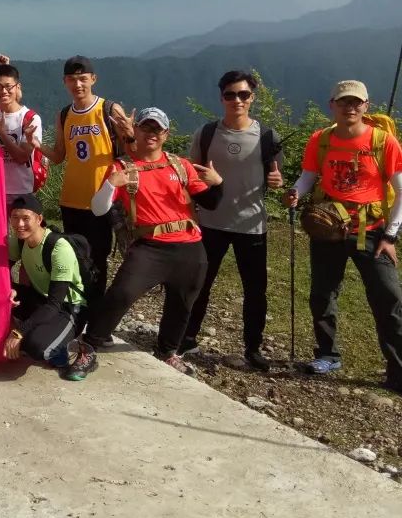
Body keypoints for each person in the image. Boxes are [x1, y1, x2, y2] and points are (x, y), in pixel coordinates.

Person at [80, 108, 223, 377]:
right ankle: (90, 345)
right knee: (121, 293)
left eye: (157, 129)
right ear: (135, 131)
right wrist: (111, 184)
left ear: (166, 134)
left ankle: (168, 352)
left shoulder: (181, 165)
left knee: (183, 302)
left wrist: (218, 183)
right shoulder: (122, 168)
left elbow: (211, 203)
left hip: (190, 244)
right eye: (145, 128)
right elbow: (98, 209)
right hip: (150, 246)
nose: (151, 134)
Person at [284, 80, 402, 389]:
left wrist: (391, 237)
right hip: (329, 227)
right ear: (332, 105)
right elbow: (309, 176)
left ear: (366, 106)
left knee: (388, 298)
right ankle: (327, 355)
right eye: (343, 102)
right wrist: (296, 191)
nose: (350, 107)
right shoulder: (320, 140)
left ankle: (398, 370)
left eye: (356, 102)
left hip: (373, 231)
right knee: (323, 293)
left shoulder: (383, 141)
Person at [182, 71, 284, 370]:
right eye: (230, 94)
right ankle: (187, 338)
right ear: (221, 97)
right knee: (199, 284)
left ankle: (253, 348)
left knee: (255, 290)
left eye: (243, 95)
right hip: (210, 221)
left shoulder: (267, 136)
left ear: (252, 98)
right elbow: (191, 176)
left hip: (252, 224)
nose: (237, 100)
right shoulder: (207, 133)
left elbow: (275, 177)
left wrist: (277, 180)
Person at [38, 56, 134, 330]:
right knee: (75, 257)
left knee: (98, 259)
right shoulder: (64, 114)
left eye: (83, 78)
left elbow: (131, 152)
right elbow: (58, 156)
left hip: (102, 199)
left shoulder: (109, 109)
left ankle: (95, 316)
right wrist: (35, 145)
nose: (78, 84)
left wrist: (129, 134)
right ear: (65, 82)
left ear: (93, 79)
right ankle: (76, 310)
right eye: (72, 79)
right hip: (71, 198)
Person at [3, 196, 97, 381]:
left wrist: (19, 331)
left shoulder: (58, 247)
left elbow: (54, 304)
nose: (19, 224)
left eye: (25, 218)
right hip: (42, 299)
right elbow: (1, 272)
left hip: (69, 307)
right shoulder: (20, 241)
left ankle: (81, 350)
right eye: (14, 217)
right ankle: (45, 335)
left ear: (39, 219)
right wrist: (10, 291)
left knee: (35, 347)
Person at [0, 64, 43, 204]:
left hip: (22, 190)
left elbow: (22, 157)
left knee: (21, 226)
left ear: (17, 87)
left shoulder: (30, 118)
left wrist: (2, 133)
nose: (4, 91)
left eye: (8, 86)